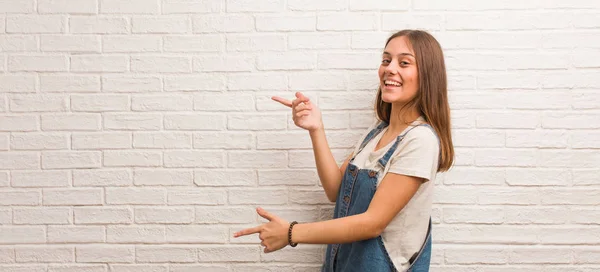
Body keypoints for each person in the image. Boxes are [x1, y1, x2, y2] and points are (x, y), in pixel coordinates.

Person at [234, 29, 454, 272]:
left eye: (404, 63)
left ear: (427, 75)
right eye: (385, 60)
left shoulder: (420, 140)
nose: (390, 69)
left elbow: (372, 223)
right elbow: (336, 191)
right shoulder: (377, 132)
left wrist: (291, 232)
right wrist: (316, 129)